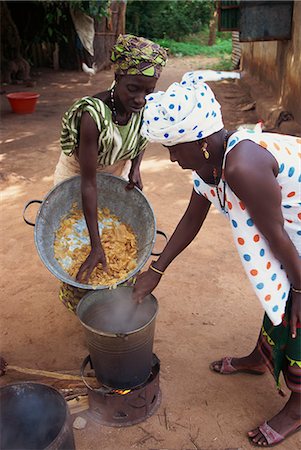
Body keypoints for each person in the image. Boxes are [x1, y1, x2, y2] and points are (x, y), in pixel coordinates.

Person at [133, 71, 301, 447]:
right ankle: (261, 359)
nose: (173, 157)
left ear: (203, 141)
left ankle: (298, 406)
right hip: (292, 238)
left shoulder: (242, 167)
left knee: (298, 319)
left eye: (175, 148)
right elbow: (192, 217)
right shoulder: (212, 163)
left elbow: (277, 237)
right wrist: (155, 271)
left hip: (297, 240)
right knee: (279, 292)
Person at [53, 34, 167, 312]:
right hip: (78, 178)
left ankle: (108, 289)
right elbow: (88, 184)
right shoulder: (93, 116)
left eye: (147, 91)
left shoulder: (141, 108)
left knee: (111, 229)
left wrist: (136, 167)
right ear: (117, 76)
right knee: (77, 239)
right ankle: (76, 295)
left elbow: (142, 135)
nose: (140, 99)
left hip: (114, 171)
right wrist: (96, 245)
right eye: (133, 89)